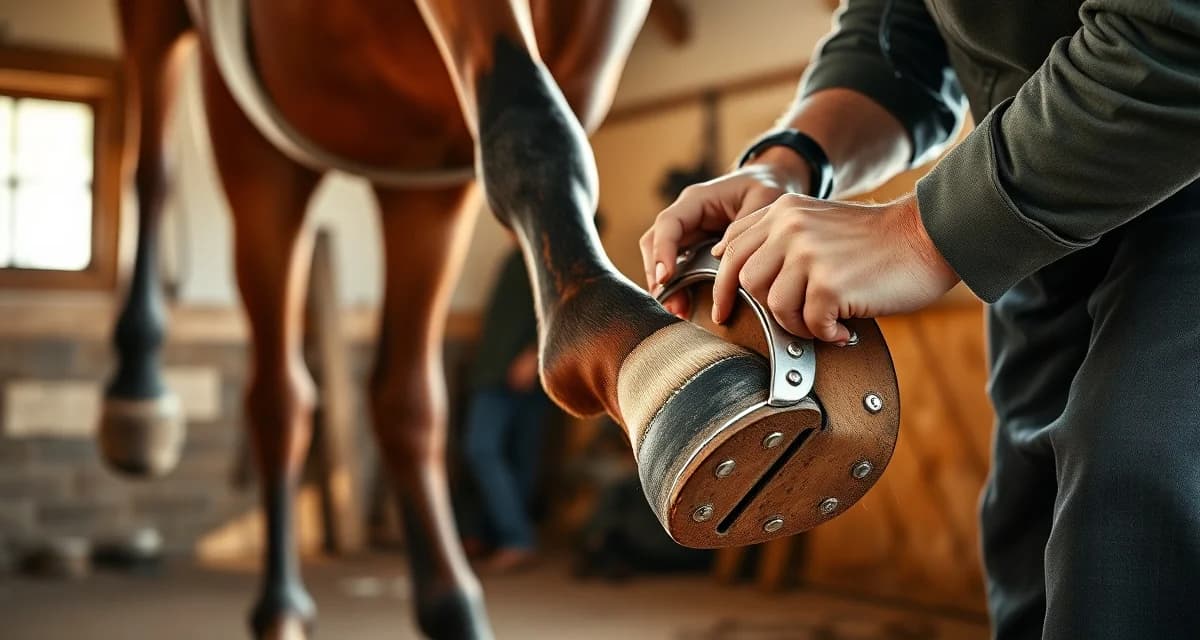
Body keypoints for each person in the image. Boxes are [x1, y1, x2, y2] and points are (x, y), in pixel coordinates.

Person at [639, 2, 1200, 638]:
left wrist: (918, 233)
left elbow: (1176, 30)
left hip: (1177, 156)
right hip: (1039, 210)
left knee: (1129, 515)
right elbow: (895, 35)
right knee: (1033, 557)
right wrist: (790, 160)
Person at [460, 242, 549, 573]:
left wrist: (534, 353)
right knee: (494, 453)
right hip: (493, 368)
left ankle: (516, 539)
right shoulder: (517, 256)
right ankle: (491, 534)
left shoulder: (552, 255)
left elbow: (563, 309)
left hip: (525, 368)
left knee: (487, 450)